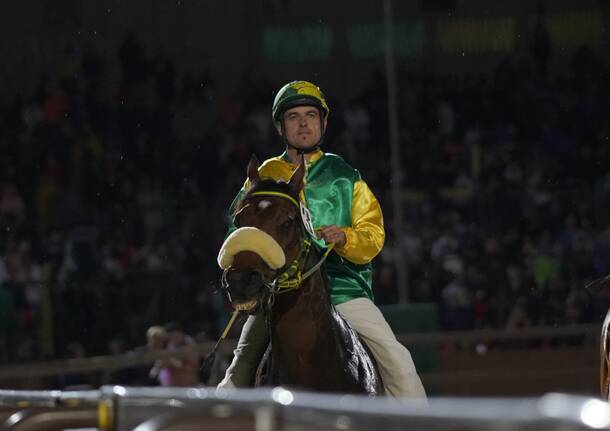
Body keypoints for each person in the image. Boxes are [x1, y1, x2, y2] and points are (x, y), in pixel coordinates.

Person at [217, 80, 426, 400]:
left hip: (343, 290)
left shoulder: (345, 175)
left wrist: (346, 236)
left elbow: (374, 234)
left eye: (311, 115)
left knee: (400, 364)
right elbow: (239, 230)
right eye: (294, 116)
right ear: (280, 126)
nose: (303, 123)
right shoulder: (263, 174)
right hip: (277, 293)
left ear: (324, 123)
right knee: (238, 369)